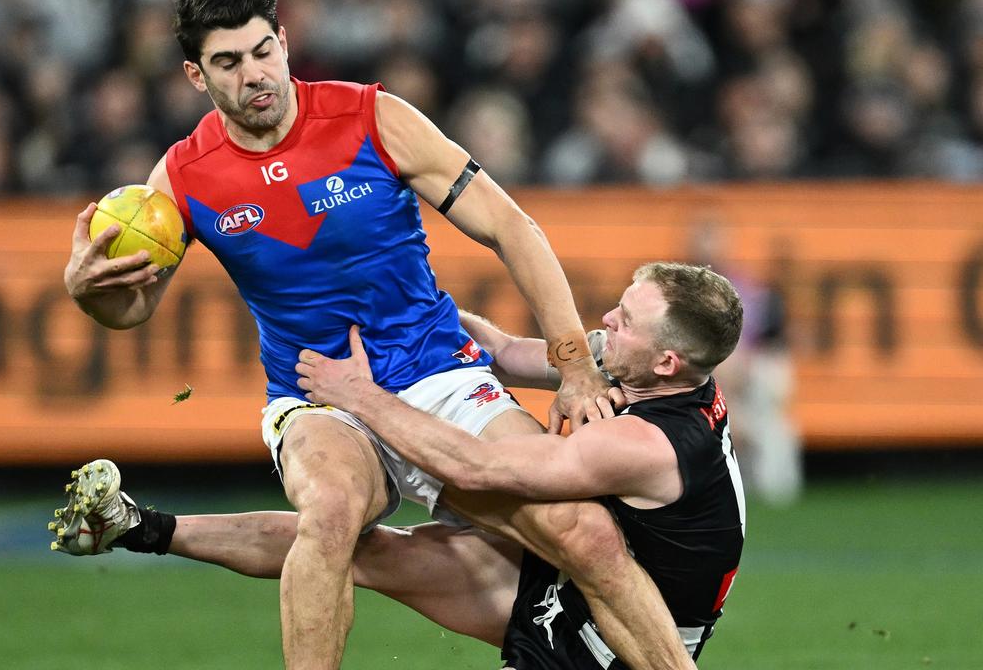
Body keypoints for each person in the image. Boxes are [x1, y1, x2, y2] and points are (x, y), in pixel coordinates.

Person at [62, 0, 682, 670]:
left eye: (264, 51)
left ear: (286, 42)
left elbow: (512, 227)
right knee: (327, 514)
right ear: (196, 75)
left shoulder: (372, 117)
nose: (255, 74)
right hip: (318, 395)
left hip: (438, 373)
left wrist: (573, 364)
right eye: (228, 63)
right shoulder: (181, 176)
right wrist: (89, 291)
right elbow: (133, 307)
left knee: (585, 535)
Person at [54, 262, 746, 669]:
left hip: (612, 644)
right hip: (572, 586)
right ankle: (139, 526)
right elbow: (504, 352)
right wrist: (417, 319)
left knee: (574, 529)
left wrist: (361, 394)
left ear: (667, 363)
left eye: (623, 320)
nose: (603, 321)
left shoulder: (650, 445)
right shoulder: (643, 367)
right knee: (353, 543)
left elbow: (473, 467)